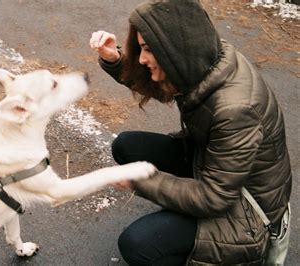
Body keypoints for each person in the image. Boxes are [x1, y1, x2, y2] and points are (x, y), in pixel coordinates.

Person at [89, 1, 292, 265]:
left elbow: (214, 196)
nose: (141, 58)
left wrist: (142, 182)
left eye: (149, 50)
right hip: (214, 166)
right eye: (141, 48)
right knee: (127, 146)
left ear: (173, 49)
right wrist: (114, 59)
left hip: (248, 213)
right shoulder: (204, 58)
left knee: (138, 244)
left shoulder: (235, 110)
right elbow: (157, 85)